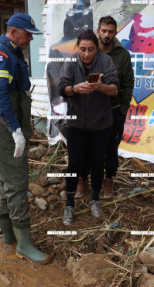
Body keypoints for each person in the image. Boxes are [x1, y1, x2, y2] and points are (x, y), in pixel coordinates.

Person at [0, 13, 52, 264]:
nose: (31, 38)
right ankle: (24, 244)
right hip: (2, 122)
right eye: (27, 33)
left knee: (5, 177)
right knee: (17, 180)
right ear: (13, 32)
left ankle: (8, 233)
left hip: (5, 119)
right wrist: (15, 130)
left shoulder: (11, 50)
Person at [57, 29, 119, 225]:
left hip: (101, 124)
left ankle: (95, 199)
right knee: (74, 164)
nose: (86, 54)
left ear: (97, 48)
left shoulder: (105, 61)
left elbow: (115, 88)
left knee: (97, 163)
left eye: (91, 49)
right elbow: (62, 88)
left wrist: (100, 86)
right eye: (82, 49)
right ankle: (69, 205)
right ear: (78, 47)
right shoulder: (71, 62)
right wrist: (75, 89)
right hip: (76, 123)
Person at [75, 16, 134, 198]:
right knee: (84, 148)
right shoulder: (89, 52)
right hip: (89, 111)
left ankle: (108, 180)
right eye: (104, 30)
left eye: (110, 31)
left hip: (113, 110)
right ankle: (82, 180)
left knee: (110, 149)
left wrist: (123, 110)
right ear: (98, 31)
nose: (107, 34)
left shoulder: (122, 55)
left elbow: (128, 84)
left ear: (115, 32)